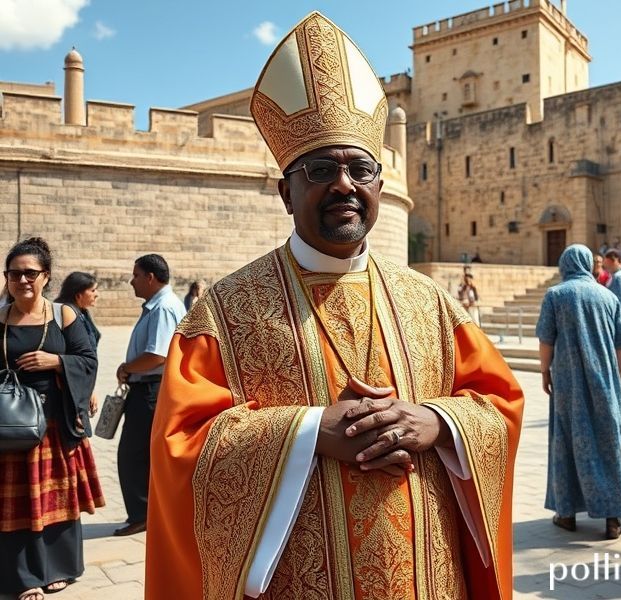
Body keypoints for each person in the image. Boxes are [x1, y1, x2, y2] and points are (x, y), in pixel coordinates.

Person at [145, 12, 523, 600]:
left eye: (360, 169)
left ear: (378, 185)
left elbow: (497, 404)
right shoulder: (222, 313)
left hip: (424, 579)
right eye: (321, 170)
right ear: (285, 192)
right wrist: (307, 431)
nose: (344, 184)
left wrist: (438, 422)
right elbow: (181, 443)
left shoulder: (432, 304)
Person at [0, 238, 103, 600]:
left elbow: (88, 359)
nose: (22, 280)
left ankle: (60, 568)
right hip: (10, 425)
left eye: (30, 273)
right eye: (15, 273)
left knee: (55, 499)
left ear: (45, 276)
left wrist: (56, 362)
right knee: (15, 504)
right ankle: (23, 577)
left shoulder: (64, 315)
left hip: (55, 423)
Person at [536, 244, 621, 540]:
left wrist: (544, 370)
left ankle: (566, 513)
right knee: (607, 442)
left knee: (566, 440)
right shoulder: (608, 296)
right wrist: (618, 376)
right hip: (604, 376)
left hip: (569, 381)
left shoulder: (556, 295)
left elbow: (546, 339)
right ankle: (613, 518)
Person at [113, 254, 185, 537]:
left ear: (150, 277)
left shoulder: (164, 308)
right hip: (147, 389)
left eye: (136, 275)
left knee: (133, 454)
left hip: (151, 391)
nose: (132, 281)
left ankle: (142, 513)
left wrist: (126, 367)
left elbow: (158, 355)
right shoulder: (159, 306)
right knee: (142, 453)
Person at [55, 272, 101, 417]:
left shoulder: (82, 313)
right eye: (93, 290)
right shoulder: (63, 315)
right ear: (78, 294)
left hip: (82, 381)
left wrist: (90, 388)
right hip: (68, 387)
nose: (97, 294)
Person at [603, 249, 621, 313]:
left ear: (614, 261)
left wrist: (617, 318)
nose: (606, 266)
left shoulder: (619, 277)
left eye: (607, 263)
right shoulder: (617, 275)